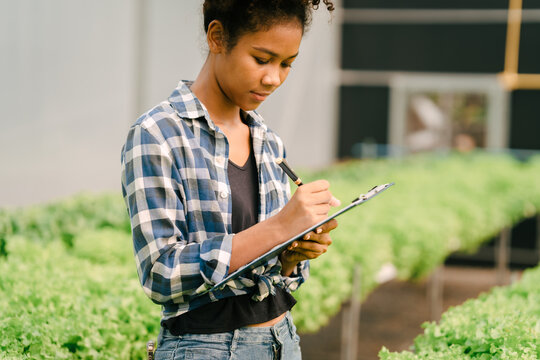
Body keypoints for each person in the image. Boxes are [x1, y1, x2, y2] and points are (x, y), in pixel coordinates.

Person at [120, 1, 337, 359]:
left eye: (286, 64)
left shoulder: (268, 141)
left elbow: (273, 276)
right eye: (262, 58)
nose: (274, 78)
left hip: (284, 340)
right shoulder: (158, 134)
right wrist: (280, 227)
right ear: (217, 37)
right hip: (206, 347)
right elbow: (161, 273)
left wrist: (292, 254)